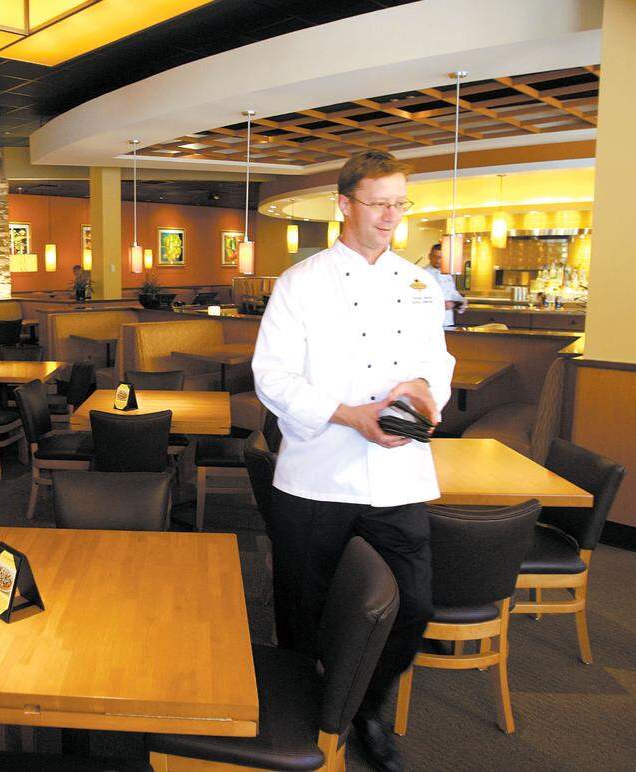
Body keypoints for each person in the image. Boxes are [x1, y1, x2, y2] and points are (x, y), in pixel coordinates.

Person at [252, 150, 455, 772]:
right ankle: (301, 715)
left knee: (414, 606)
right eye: (378, 203)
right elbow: (272, 377)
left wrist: (425, 390)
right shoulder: (301, 282)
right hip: (317, 475)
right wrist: (349, 415)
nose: (391, 215)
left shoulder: (420, 285)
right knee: (302, 607)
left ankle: (365, 707)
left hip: (398, 478)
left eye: (400, 203)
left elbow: (438, 362)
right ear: (344, 204)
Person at [424, 243, 467, 326]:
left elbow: (453, 293)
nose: (438, 260)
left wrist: (461, 300)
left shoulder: (447, 275)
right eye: (435, 257)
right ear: (429, 256)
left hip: (448, 320)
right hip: (430, 320)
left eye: (440, 257)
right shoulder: (422, 273)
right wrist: (440, 304)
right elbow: (419, 297)